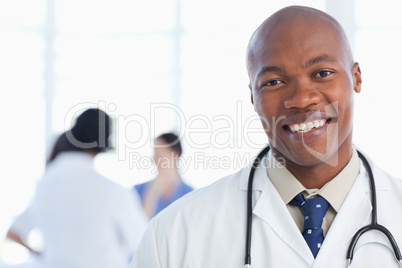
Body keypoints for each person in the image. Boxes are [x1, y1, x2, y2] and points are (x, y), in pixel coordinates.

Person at [130, 6, 402, 268]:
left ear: (356, 78)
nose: (301, 99)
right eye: (273, 82)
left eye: (322, 73)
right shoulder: (172, 236)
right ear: (252, 97)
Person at [6, 108, 147, 268]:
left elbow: (14, 231)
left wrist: (43, 256)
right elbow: (142, 241)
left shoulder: (44, 185)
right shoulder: (110, 190)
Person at [134, 132, 193, 218]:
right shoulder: (138, 190)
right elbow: (137, 225)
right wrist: (152, 192)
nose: (155, 159)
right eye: (154, 153)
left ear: (175, 154)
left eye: (159, 153)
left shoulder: (190, 194)